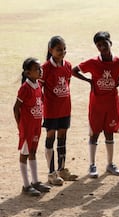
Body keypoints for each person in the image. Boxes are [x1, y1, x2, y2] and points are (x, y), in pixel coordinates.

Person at [72, 31, 119, 178]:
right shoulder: (92, 62)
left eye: (105, 44)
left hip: (111, 105)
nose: (102, 47)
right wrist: (89, 81)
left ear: (110, 43)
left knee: (109, 133)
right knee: (94, 134)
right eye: (99, 45)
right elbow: (74, 71)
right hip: (96, 105)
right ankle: (92, 165)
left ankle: (110, 164)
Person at [40, 36, 78, 186]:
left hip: (65, 108)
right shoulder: (45, 69)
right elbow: (39, 89)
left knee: (63, 136)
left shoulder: (68, 65)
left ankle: (62, 169)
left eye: (64, 49)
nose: (62, 52)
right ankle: (51, 173)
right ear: (51, 50)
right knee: (51, 137)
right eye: (58, 49)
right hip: (51, 110)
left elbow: (67, 84)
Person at [13, 58, 51, 196]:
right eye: (37, 69)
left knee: (33, 152)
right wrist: (20, 126)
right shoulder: (25, 88)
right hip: (27, 127)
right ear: (28, 73)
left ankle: (35, 182)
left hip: (36, 125)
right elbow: (16, 108)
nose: (40, 71)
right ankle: (26, 185)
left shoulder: (38, 85)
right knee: (24, 154)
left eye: (40, 68)